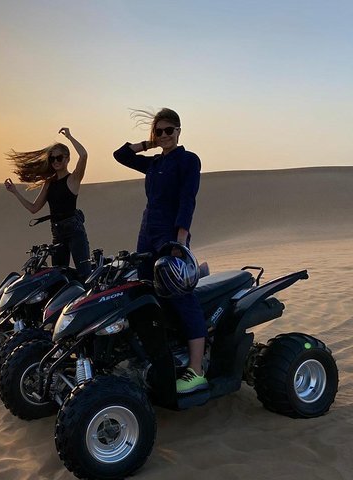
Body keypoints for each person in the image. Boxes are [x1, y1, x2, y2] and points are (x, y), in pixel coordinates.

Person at [113, 108, 207, 394]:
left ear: (179, 131)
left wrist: (180, 241)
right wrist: (148, 143)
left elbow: (187, 200)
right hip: (147, 234)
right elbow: (121, 155)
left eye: (169, 130)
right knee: (145, 292)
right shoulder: (154, 163)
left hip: (170, 235)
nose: (165, 135)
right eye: (159, 131)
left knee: (180, 295)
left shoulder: (188, 160)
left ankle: (196, 369)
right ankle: (160, 356)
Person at [4, 127, 92, 278]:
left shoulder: (73, 179)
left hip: (74, 231)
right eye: (52, 159)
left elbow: (83, 155)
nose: (55, 161)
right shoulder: (49, 183)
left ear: (67, 158)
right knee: (58, 277)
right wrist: (15, 192)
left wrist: (70, 137)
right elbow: (34, 208)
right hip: (57, 233)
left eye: (59, 158)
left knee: (85, 275)